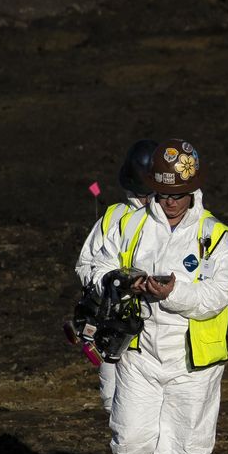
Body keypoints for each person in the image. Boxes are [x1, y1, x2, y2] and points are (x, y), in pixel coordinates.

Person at [87, 139, 228, 454]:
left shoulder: (216, 236)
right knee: (131, 438)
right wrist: (126, 279)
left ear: (194, 191)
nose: (171, 203)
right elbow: (98, 264)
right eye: (164, 194)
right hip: (138, 351)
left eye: (179, 195)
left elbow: (216, 296)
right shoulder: (129, 223)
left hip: (194, 360)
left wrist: (171, 293)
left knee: (187, 441)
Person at [75, 138, 156, 411]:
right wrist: (110, 285)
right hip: (115, 331)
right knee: (116, 407)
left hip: (157, 334)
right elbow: (86, 266)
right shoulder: (112, 217)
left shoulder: (172, 223)